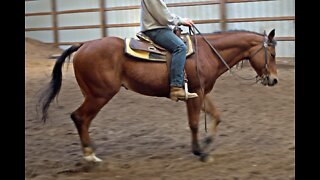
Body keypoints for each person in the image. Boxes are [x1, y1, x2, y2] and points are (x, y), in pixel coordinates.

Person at [140, 0, 198, 101]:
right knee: (180, 47)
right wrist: (181, 21)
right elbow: (163, 17)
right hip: (155, 29)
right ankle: (176, 87)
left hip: (158, 27)